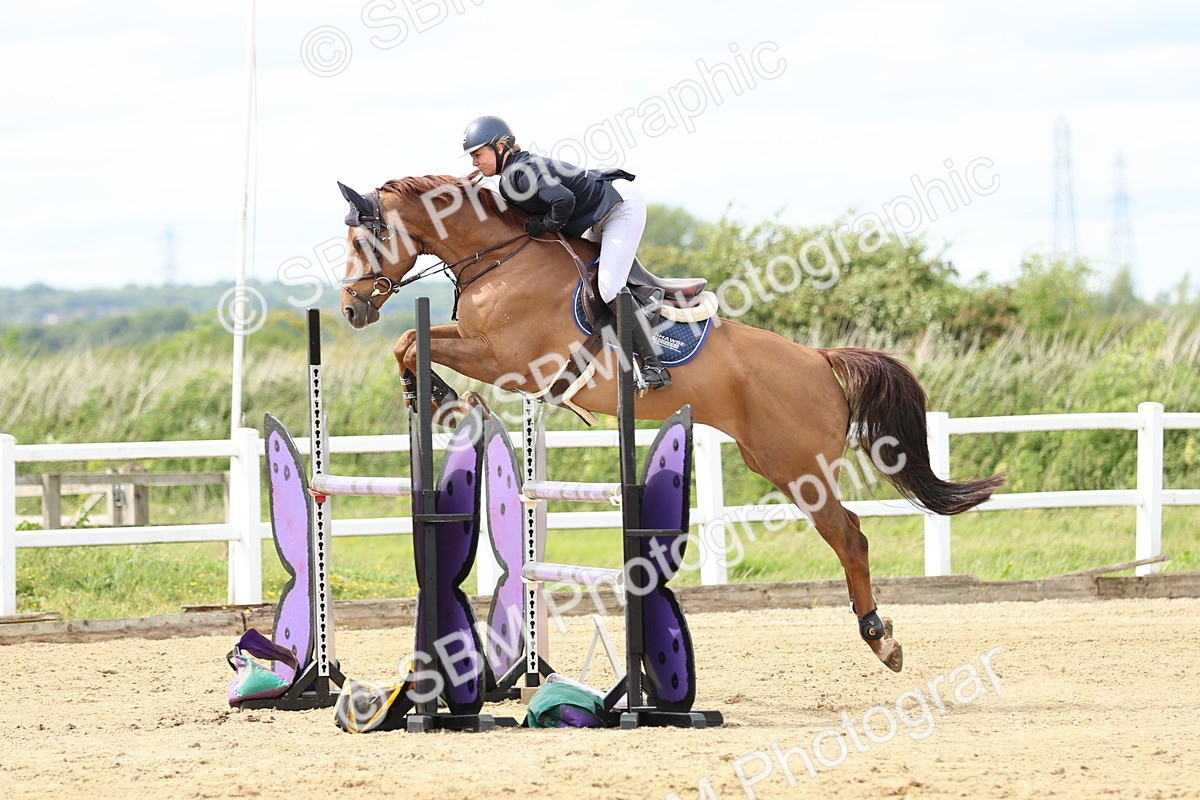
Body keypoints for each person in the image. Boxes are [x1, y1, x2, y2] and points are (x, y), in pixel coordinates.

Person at [461, 115, 670, 389]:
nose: (474, 163)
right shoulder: (512, 175)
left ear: (499, 147)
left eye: (477, 154)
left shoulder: (520, 172)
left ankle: (655, 365)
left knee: (609, 287)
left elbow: (563, 200)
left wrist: (545, 224)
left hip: (620, 207)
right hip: (601, 213)